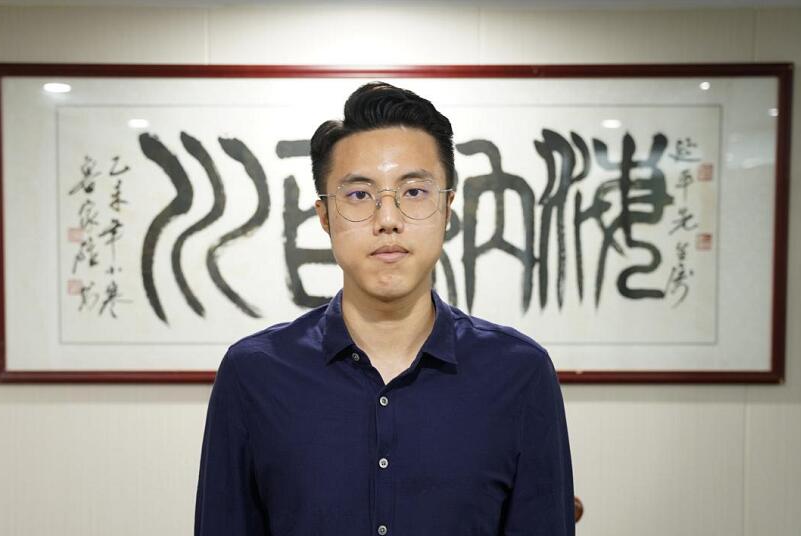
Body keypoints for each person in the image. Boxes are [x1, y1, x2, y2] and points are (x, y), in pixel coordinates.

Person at [195, 81, 575, 535]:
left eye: (414, 192)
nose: (388, 220)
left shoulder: (520, 372)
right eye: (359, 195)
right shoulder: (254, 373)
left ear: (447, 208)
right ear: (324, 216)